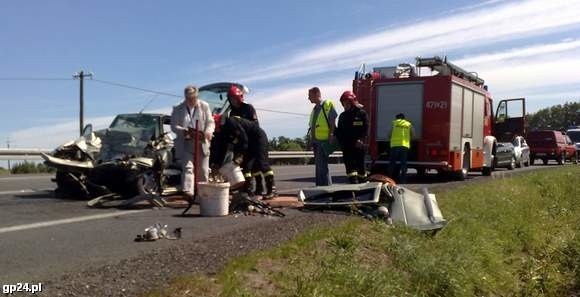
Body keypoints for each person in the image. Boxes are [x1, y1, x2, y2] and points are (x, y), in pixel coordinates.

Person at [212, 116, 278, 200]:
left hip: (257, 138)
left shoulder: (231, 122)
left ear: (218, 123)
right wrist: (217, 164)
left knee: (261, 162)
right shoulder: (220, 133)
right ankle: (247, 190)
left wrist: (240, 155)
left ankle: (272, 190)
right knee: (245, 166)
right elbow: (221, 150)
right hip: (247, 142)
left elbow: (243, 138)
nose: (214, 130)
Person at [171, 85, 215, 198]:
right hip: (186, 142)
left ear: (197, 96)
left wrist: (208, 132)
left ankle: (203, 194)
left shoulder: (204, 106)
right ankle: (188, 192)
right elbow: (174, 126)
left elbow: (210, 122)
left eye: (193, 98)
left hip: (201, 141)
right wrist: (183, 131)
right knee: (188, 168)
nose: (191, 100)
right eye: (188, 98)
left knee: (203, 170)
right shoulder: (178, 108)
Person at [226, 85, 264, 196]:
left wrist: (243, 123)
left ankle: (260, 187)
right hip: (242, 142)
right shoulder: (232, 112)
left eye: (234, 98)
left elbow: (255, 124)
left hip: (253, 139)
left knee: (256, 165)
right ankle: (248, 187)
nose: (233, 101)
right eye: (231, 99)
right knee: (245, 165)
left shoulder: (248, 108)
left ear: (239, 98)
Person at [334, 91, 368, 184]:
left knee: (361, 168)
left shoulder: (361, 114)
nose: (345, 105)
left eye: (347, 103)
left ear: (352, 102)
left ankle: (363, 186)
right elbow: (340, 131)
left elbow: (366, 129)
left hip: (359, 146)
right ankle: (353, 185)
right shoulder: (342, 116)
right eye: (344, 103)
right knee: (350, 169)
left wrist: (362, 140)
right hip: (347, 146)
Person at [308, 87, 337, 186]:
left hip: (324, 141)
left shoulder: (327, 105)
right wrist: (311, 140)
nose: (308, 98)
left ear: (317, 94)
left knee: (322, 166)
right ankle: (320, 187)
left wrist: (331, 134)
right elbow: (313, 126)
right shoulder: (315, 109)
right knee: (319, 166)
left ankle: (326, 189)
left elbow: (332, 121)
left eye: (310, 95)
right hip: (316, 142)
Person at [388, 113, 414, 183]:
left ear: (397, 118)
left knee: (392, 163)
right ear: (403, 118)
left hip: (395, 145)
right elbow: (413, 134)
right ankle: (403, 180)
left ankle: (389, 179)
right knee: (403, 163)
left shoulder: (394, 123)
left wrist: (390, 137)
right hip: (404, 145)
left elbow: (389, 134)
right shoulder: (408, 124)